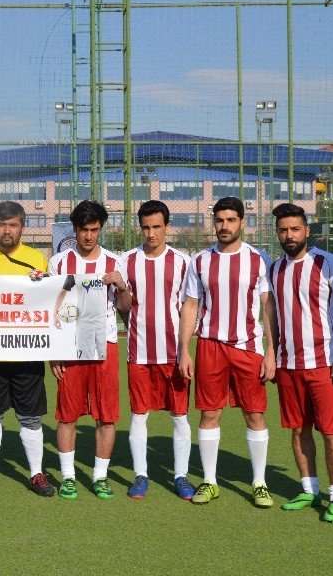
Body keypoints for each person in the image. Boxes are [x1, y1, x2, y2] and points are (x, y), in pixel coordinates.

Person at [178, 196, 276, 508]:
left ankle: (259, 483)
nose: (224, 226)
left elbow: (267, 307)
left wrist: (272, 351)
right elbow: (190, 306)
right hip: (209, 346)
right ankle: (209, 481)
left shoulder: (258, 260)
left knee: (254, 414)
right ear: (214, 223)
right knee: (209, 413)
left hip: (248, 347)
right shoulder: (200, 261)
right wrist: (184, 350)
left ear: (242, 223)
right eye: (219, 220)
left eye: (231, 220)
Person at [265, 203, 333, 523]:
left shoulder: (328, 263)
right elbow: (271, 316)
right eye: (283, 230)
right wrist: (271, 353)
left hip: (324, 362)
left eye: (295, 229)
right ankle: (309, 489)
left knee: (331, 431)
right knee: (298, 429)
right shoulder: (274, 269)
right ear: (278, 233)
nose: (289, 235)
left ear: (307, 231)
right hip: (288, 364)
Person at [0, 201, 55, 497]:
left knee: (30, 417)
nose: (7, 230)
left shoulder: (37, 259)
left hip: (27, 352)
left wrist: (42, 285)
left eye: (13, 225)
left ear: (22, 227)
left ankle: (36, 474)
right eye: (2, 224)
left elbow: (48, 301)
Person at [115, 200, 195, 501]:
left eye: (157, 227)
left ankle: (180, 475)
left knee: (179, 415)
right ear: (141, 228)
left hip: (174, 353)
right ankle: (140, 475)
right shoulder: (127, 261)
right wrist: (123, 290)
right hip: (140, 352)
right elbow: (122, 306)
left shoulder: (183, 262)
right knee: (138, 414)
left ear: (168, 227)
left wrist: (186, 349)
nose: (151, 233)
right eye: (146, 227)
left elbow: (190, 306)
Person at [48, 200, 126, 501]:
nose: (89, 236)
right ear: (75, 229)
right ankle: (68, 478)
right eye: (83, 230)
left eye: (94, 230)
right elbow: (50, 308)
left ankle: (100, 477)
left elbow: (125, 307)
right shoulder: (58, 263)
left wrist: (122, 288)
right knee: (68, 415)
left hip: (104, 343)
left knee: (106, 416)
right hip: (70, 346)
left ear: (101, 229)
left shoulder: (114, 262)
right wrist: (54, 351)